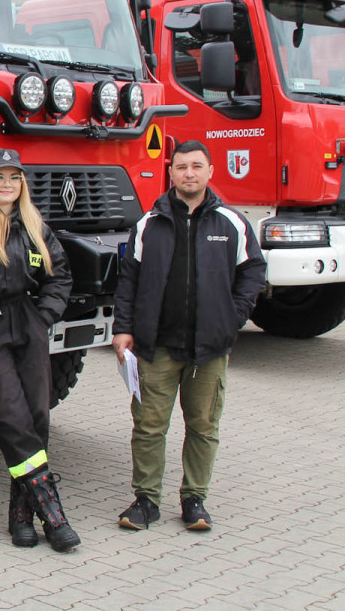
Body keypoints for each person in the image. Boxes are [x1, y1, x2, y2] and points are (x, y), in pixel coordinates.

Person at [112, 140, 266, 531]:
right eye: (181, 167)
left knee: (203, 427)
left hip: (208, 349)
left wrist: (233, 317)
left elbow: (253, 272)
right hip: (156, 346)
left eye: (197, 166)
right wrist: (123, 328)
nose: (189, 174)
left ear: (210, 171)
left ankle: (194, 500)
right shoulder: (149, 224)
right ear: (171, 173)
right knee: (148, 427)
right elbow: (128, 280)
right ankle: (146, 501)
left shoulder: (231, 223)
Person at [0, 148, 81, 552]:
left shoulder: (34, 223)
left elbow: (60, 276)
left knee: (38, 415)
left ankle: (21, 516)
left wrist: (44, 316)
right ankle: (53, 515)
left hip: (26, 320)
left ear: (22, 183)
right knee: (10, 416)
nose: (7, 184)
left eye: (14, 177)